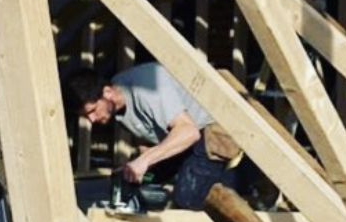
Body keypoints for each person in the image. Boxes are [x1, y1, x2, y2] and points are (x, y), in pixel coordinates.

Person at [77, 62, 239, 210]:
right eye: (86, 116)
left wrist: (144, 161)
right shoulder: (115, 104)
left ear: (107, 92)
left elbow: (189, 132)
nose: (91, 120)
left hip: (211, 126)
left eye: (92, 111)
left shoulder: (147, 87)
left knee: (187, 198)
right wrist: (135, 168)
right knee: (143, 181)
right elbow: (145, 139)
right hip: (181, 134)